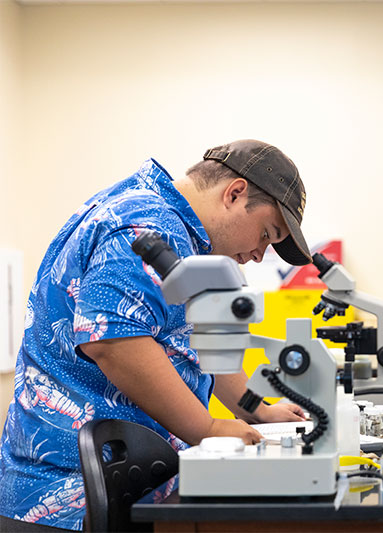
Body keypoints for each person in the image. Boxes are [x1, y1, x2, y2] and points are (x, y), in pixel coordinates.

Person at [0, 140, 312, 532]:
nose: (259, 255)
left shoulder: (182, 238)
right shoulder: (147, 224)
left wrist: (256, 408)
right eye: (266, 234)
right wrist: (208, 429)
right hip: (67, 497)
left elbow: (196, 343)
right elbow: (115, 343)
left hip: (123, 478)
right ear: (234, 194)